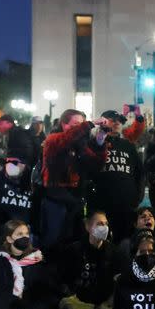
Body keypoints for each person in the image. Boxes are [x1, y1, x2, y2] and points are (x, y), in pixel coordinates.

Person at [40, 109, 108, 254]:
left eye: (81, 124)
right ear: (64, 124)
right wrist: (90, 123)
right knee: (54, 239)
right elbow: (67, 138)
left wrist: (101, 141)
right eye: (76, 124)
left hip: (76, 198)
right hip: (56, 198)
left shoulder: (80, 145)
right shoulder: (53, 139)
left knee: (74, 238)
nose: (80, 128)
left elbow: (96, 164)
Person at [0, 220, 58, 309]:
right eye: (20, 234)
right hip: (6, 299)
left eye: (27, 234)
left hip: (27, 301)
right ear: (9, 238)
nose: (25, 237)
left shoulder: (36, 257)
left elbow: (42, 286)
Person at [57, 211, 127, 309]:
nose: (104, 227)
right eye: (99, 224)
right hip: (80, 300)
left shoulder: (114, 252)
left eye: (106, 224)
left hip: (104, 303)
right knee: (65, 303)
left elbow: (119, 280)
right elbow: (64, 278)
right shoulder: (74, 250)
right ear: (88, 227)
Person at [87, 109, 145, 242]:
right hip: (102, 205)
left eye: (120, 121)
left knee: (125, 241)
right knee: (101, 241)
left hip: (126, 204)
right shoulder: (94, 143)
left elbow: (140, 172)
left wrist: (138, 196)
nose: (117, 123)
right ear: (103, 122)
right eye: (113, 120)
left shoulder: (128, 145)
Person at [0, 150, 33, 240]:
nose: (10, 165)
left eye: (15, 162)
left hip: (23, 235)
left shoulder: (32, 183)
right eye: (7, 162)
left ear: (24, 164)